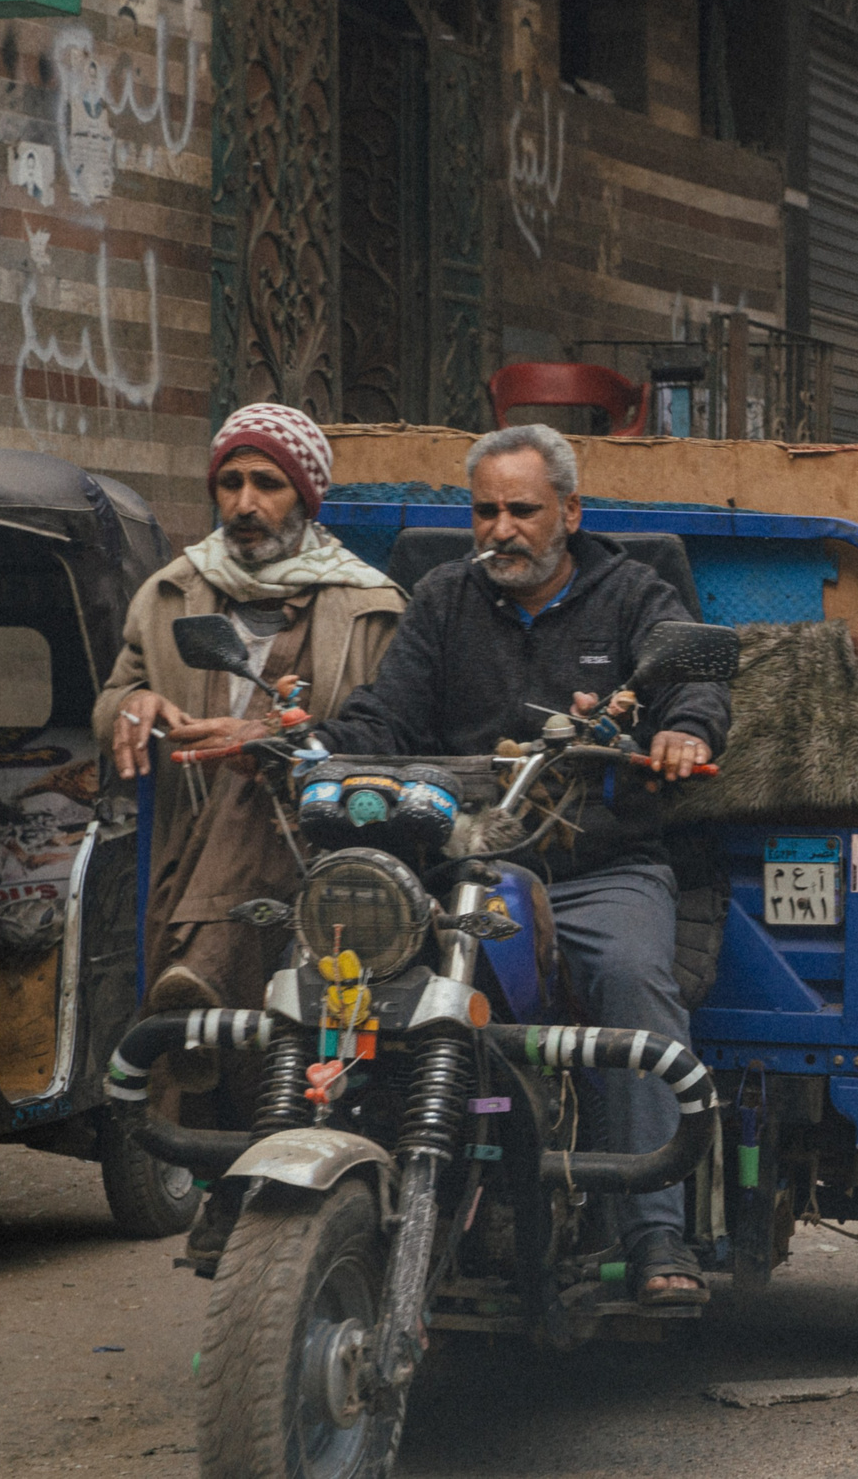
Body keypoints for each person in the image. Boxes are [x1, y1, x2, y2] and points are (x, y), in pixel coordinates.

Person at [316, 424, 729, 1307]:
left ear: (570, 514)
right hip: (455, 860)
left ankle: (656, 1228)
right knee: (339, 962)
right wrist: (326, 750)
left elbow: (693, 680)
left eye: (522, 510)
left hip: (596, 865)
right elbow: (384, 715)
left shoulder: (633, 594)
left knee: (629, 977)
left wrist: (684, 728)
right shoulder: (441, 598)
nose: (500, 529)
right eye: (485, 510)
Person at [95, 404, 405, 1019]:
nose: (244, 504)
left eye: (268, 484)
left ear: (306, 497)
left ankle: (201, 968)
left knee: (264, 757)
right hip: (184, 832)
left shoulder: (373, 606)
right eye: (230, 484)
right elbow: (111, 700)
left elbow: (390, 731)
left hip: (317, 849)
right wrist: (134, 703)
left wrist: (270, 742)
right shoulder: (168, 593)